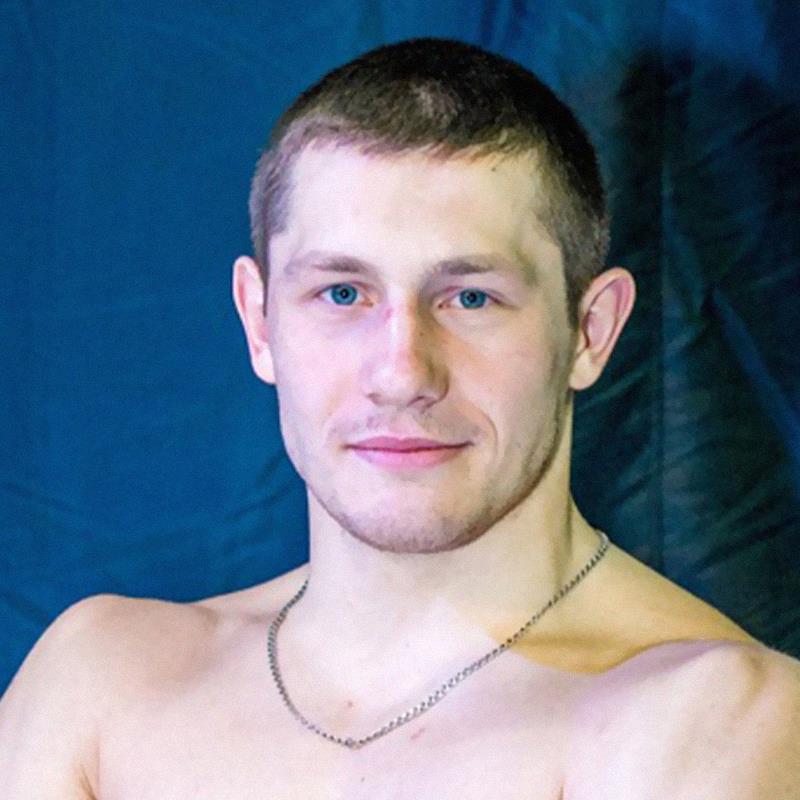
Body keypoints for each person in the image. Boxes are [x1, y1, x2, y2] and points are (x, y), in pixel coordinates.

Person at [1, 36, 798, 799]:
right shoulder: (100, 682)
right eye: (343, 293)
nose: (403, 374)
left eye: (471, 297)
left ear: (590, 332)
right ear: (259, 323)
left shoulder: (715, 721)